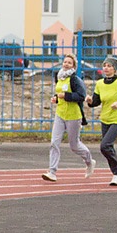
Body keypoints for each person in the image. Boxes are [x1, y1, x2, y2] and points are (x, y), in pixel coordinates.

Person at [42, 53, 95, 182]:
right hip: (60, 114)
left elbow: (81, 96)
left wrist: (65, 96)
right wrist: (56, 98)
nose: (66, 64)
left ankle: (89, 161)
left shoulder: (75, 80)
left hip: (73, 116)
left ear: (74, 66)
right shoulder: (59, 77)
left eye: (69, 63)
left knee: (74, 145)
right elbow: (59, 92)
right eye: (65, 62)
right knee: (54, 142)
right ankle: (52, 172)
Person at [85, 55, 117, 186]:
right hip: (105, 119)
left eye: (109, 66)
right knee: (109, 148)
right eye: (104, 66)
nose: (106, 68)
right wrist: (90, 101)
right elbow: (96, 102)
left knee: (105, 146)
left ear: (114, 69)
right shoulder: (100, 84)